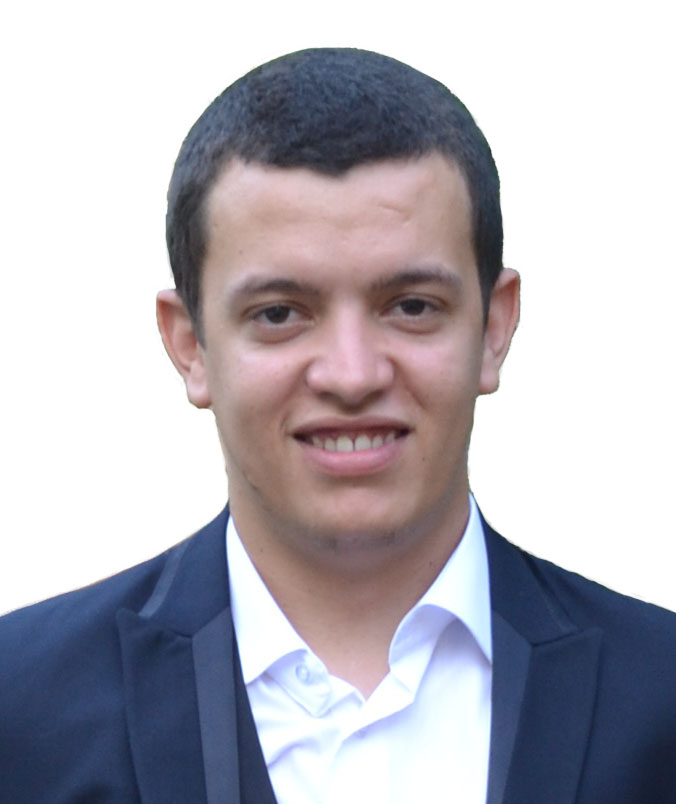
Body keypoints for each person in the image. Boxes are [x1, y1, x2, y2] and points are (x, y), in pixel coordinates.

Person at [1, 48, 675, 804]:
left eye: (411, 306)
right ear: (189, 345)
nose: (352, 376)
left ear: (494, 327)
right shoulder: (19, 712)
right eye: (279, 314)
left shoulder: (662, 697)